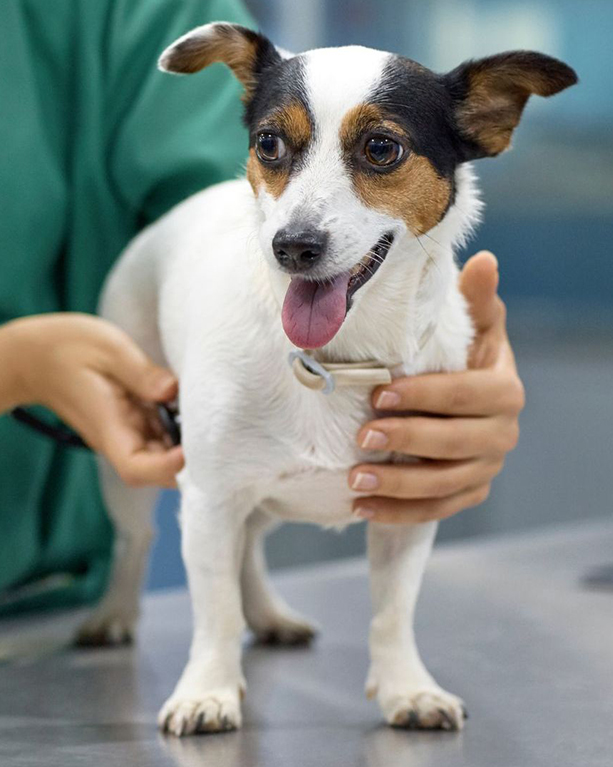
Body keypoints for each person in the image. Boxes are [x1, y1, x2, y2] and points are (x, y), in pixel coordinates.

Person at [0, 0, 523, 616]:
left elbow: (196, 198)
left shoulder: (149, 12)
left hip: (51, 596)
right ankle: (133, 581)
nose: (300, 227)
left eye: (380, 151)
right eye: (272, 145)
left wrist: (447, 337)